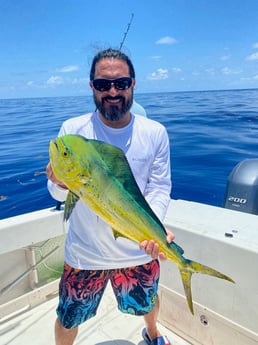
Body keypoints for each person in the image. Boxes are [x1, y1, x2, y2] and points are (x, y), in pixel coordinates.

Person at [46, 48, 174, 345]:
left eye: (121, 83)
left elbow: (159, 187)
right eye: (103, 84)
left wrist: (154, 227)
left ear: (134, 84)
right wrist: (60, 184)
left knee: (148, 302)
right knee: (68, 318)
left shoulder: (155, 132)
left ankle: (152, 333)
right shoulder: (72, 131)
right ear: (92, 86)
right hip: (84, 254)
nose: (113, 91)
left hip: (137, 249)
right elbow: (55, 192)